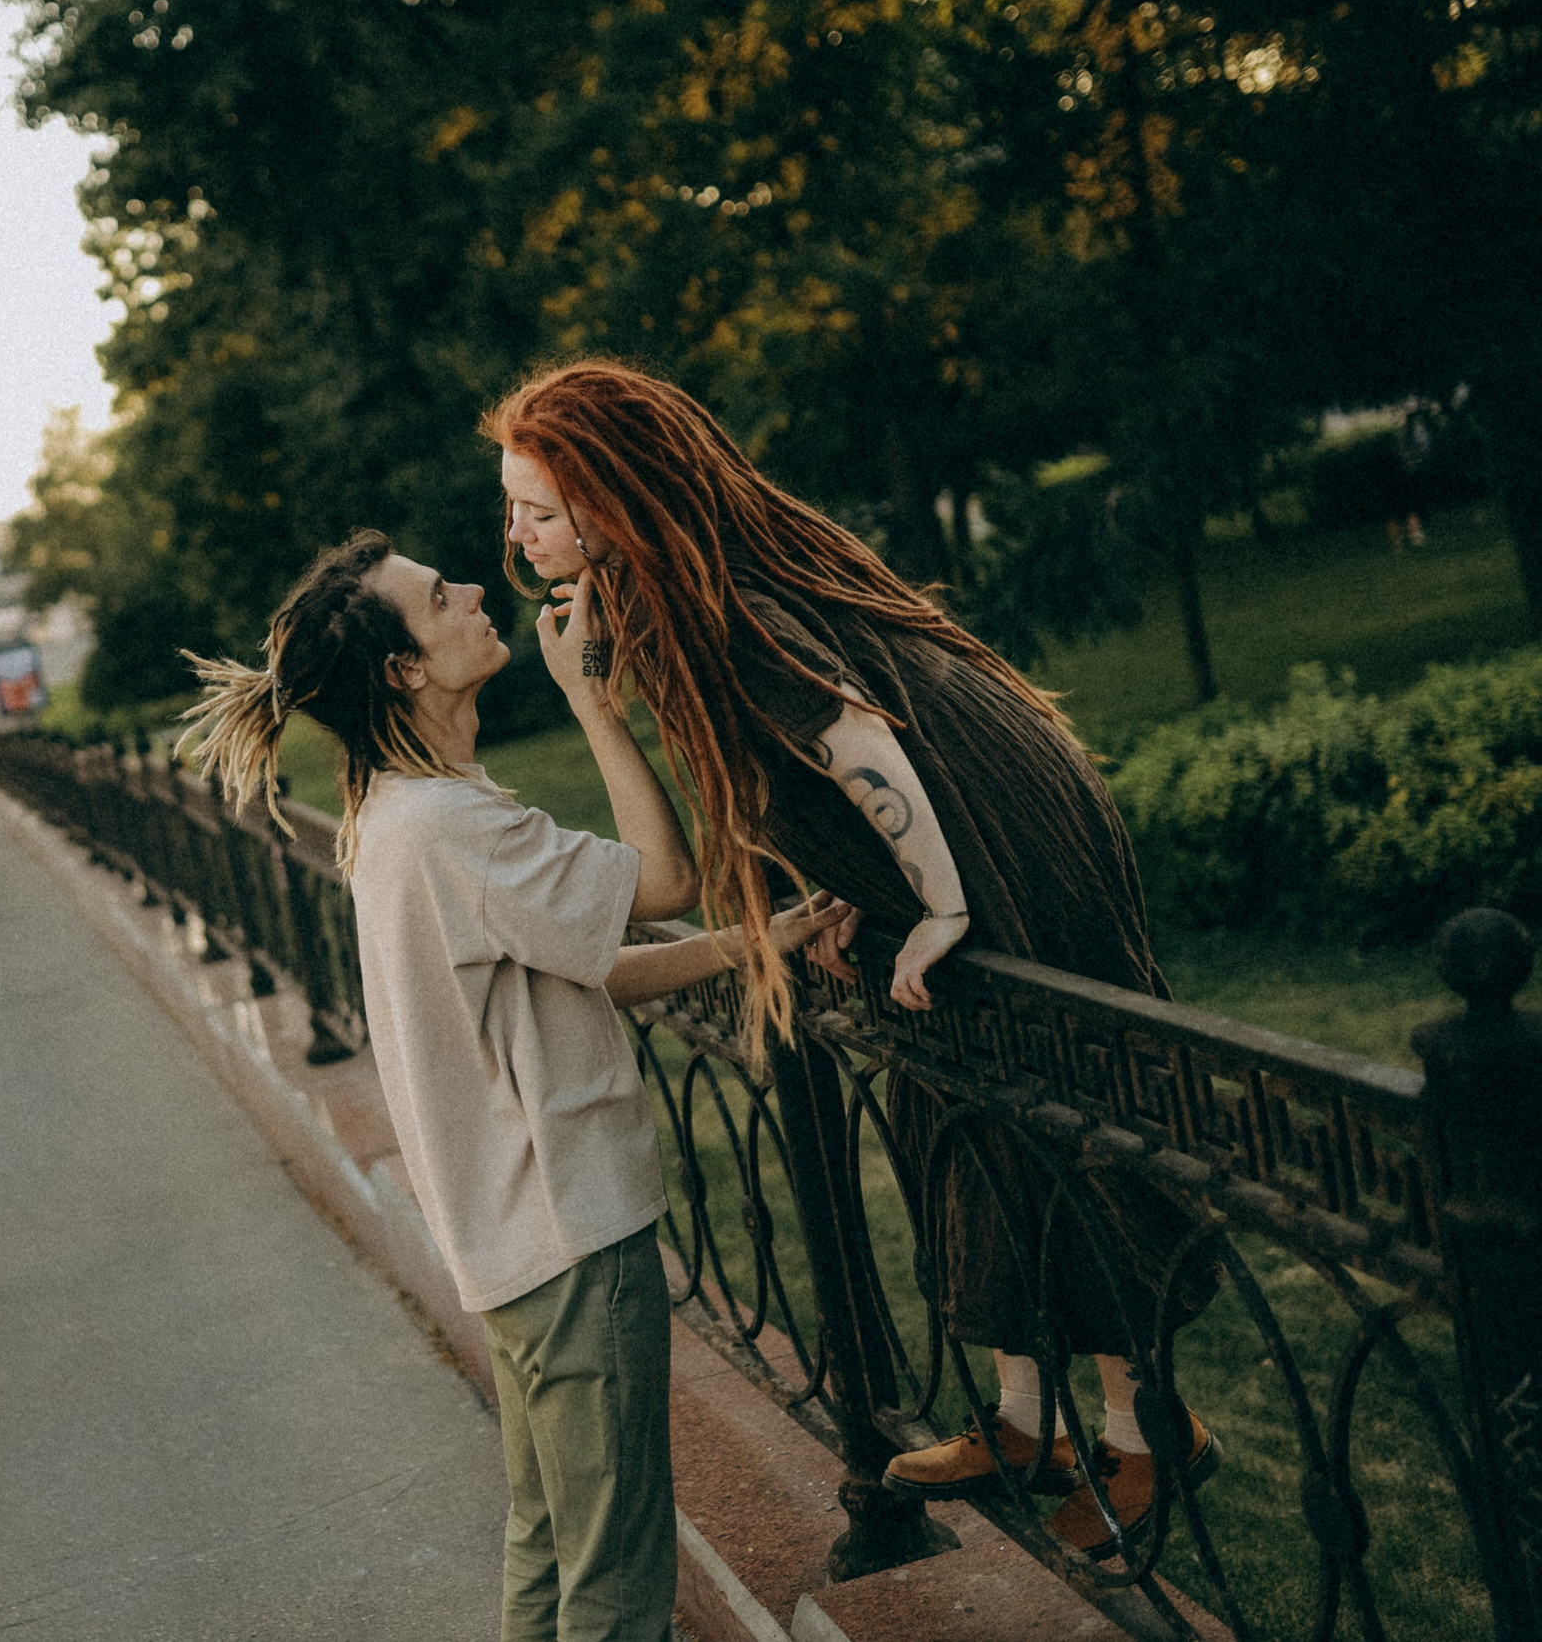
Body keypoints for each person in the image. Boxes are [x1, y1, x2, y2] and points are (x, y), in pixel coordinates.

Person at [483, 359, 1220, 1559]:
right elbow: (805, 767)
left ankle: (1151, 1439)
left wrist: (936, 903)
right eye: (513, 504)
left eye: (540, 510)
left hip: (996, 851)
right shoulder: (671, 596)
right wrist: (845, 885)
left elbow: (851, 735)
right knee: (968, 1120)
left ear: (615, 507)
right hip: (951, 844)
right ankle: (1025, 1424)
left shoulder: (720, 608)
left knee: (1064, 1126)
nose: (515, 536)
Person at [180, 531, 848, 1642]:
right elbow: (667, 879)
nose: (475, 591)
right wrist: (596, 706)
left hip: (510, 1244)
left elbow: (586, 968)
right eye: (440, 598)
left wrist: (750, 942)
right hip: (569, 1235)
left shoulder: (399, 814)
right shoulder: (453, 827)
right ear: (405, 669)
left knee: (549, 1555)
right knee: (616, 1586)